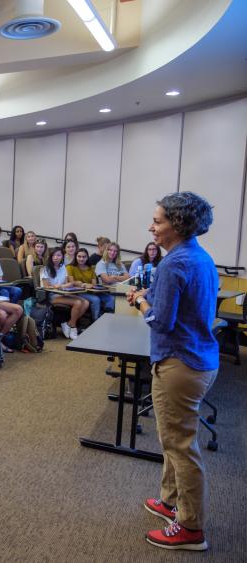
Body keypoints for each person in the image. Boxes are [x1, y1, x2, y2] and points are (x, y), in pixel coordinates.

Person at [122, 192, 218, 551]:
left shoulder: (173, 264)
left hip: (180, 364)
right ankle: (169, 501)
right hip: (199, 360)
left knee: (180, 446)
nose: (151, 226)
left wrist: (141, 299)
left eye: (158, 221)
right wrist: (155, 293)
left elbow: (160, 321)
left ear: (176, 225)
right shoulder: (198, 257)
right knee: (173, 441)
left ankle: (191, 527)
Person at [40, 247, 89, 339]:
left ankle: (69, 323)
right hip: (51, 296)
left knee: (86, 303)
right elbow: (46, 286)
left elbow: (67, 283)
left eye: (58, 255)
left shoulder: (63, 267)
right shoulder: (45, 269)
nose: (56, 257)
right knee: (77, 303)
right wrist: (56, 286)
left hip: (63, 293)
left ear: (62, 256)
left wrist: (65, 285)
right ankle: (73, 327)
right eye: (54, 255)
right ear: (50, 256)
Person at [66, 247, 114, 320]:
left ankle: (107, 318)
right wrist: (83, 284)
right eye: (79, 256)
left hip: (91, 291)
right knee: (96, 299)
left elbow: (94, 284)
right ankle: (96, 320)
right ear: (75, 257)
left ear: (87, 257)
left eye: (84, 257)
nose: (81, 259)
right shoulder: (70, 267)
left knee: (110, 298)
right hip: (78, 292)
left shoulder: (90, 268)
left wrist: (88, 285)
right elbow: (71, 282)